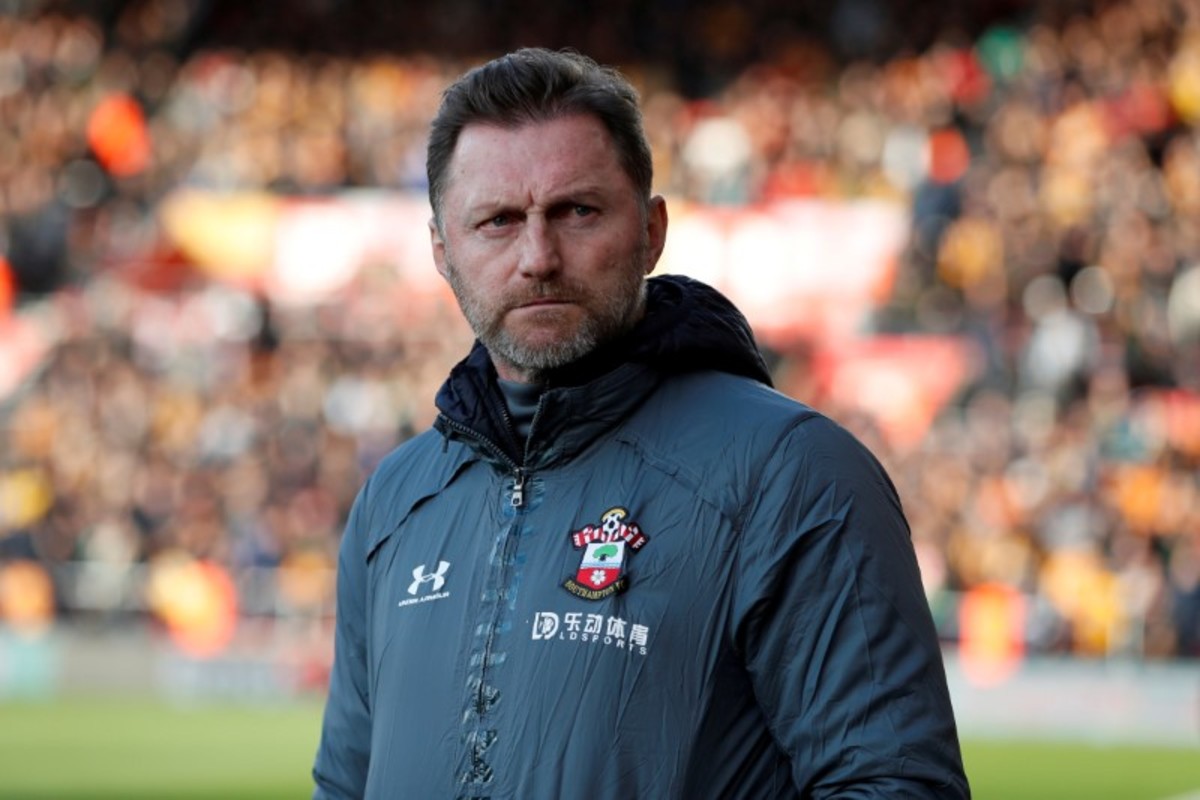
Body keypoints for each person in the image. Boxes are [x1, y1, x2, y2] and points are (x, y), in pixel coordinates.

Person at [312, 47, 970, 799]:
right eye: (497, 221)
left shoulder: (792, 473)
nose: (538, 257)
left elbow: (895, 785)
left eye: (577, 212)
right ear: (441, 249)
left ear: (652, 230)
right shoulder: (396, 500)